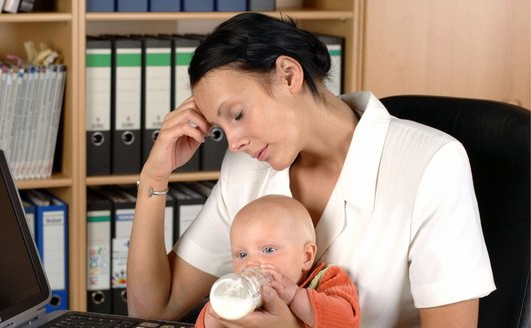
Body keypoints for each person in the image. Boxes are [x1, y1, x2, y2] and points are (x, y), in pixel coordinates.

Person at [127, 12, 496, 327]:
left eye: (238, 114)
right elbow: (150, 309)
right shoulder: (246, 169)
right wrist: (154, 177)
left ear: (289, 75)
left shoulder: (432, 163)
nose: (234, 142)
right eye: (222, 128)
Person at [195, 194, 360, 328]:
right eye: (242, 254)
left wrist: (295, 296)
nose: (251, 263)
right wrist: (220, 307)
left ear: (307, 256)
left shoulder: (326, 279)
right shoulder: (244, 298)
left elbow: (347, 321)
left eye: (268, 250)